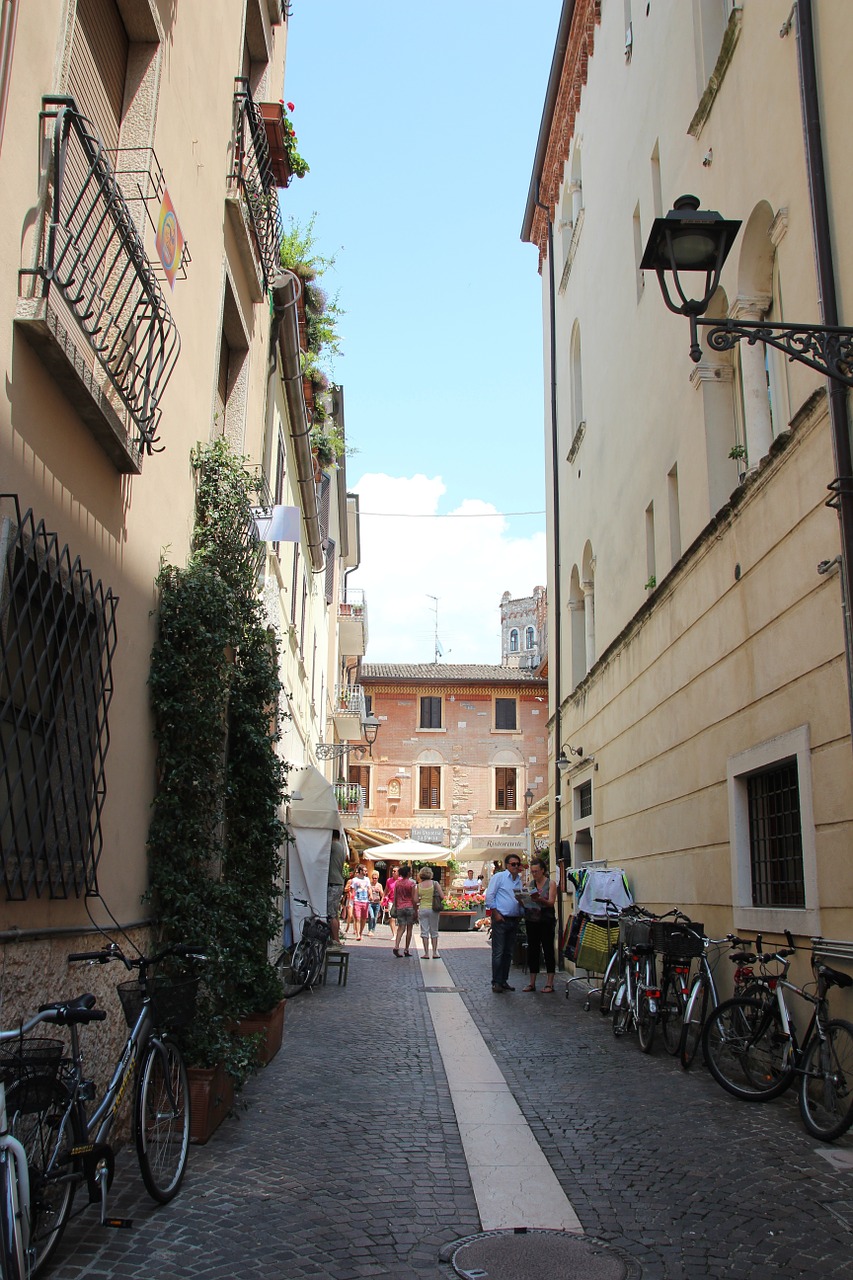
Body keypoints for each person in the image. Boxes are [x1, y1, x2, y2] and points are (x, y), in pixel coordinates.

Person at [484, 853, 524, 992]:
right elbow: (489, 896)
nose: (516, 867)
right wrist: (496, 913)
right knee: (499, 952)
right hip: (501, 919)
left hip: (514, 919)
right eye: (513, 864)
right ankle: (496, 982)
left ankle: (504, 980)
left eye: (518, 864)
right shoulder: (499, 877)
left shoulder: (519, 880)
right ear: (507, 865)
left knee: (508, 952)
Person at [522, 855, 558, 993]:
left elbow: (550, 902)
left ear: (543, 870)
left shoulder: (551, 883)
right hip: (532, 920)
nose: (534, 874)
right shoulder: (531, 884)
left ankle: (549, 983)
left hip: (546, 920)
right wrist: (522, 899)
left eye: (536, 871)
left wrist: (540, 899)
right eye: (533, 871)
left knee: (548, 949)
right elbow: (527, 903)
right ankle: (532, 982)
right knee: (533, 950)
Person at [391, 863, 418, 957]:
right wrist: (416, 909)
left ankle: (397, 946)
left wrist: (395, 905)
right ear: (408, 873)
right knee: (409, 929)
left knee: (400, 928)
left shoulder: (397, 883)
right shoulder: (412, 884)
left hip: (400, 907)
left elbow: (395, 897)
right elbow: (414, 898)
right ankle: (406, 949)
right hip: (409, 907)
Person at [416, 865, 442, 959]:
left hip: (423, 909)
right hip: (434, 909)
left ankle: (426, 953)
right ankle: (435, 952)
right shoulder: (435, 883)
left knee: (424, 931)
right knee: (434, 931)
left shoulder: (418, 886)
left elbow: (415, 900)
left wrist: (422, 899)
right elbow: (442, 896)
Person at [326, 832, 347, 948]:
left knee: (331, 913)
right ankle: (336, 938)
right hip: (338, 882)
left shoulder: (333, 845)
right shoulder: (341, 847)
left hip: (333, 882)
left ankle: (336, 940)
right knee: (335, 913)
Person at [350, 864, 371, 940]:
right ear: (361, 871)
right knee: (357, 918)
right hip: (357, 900)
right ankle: (358, 934)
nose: (366, 872)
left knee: (364, 918)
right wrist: (352, 897)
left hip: (365, 901)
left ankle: (361, 932)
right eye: (365, 870)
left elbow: (369, 888)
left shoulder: (367, 879)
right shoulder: (355, 880)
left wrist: (370, 895)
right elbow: (352, 889)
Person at [382, 865, 400, 930]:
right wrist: (383, 898)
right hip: (391, 901)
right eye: (392, 871)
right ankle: (394, 934)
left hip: (399, 901)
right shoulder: (389, 880)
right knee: (392, 917)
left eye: (394, 871)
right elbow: (386, 890)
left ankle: (398, 932)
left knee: (399, 918)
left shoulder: (401, 880)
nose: (393, 872)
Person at [367, 869, 384, 934]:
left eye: (376, 878)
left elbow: (382, 894)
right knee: (371, 916)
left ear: (378, 878)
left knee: (375, 917)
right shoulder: (369, 884)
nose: (374, 879)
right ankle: (369, 930)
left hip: (377, 903)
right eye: (373, 878)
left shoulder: (379, 885)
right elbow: (367, 893)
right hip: (370, 903)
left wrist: (379, 890)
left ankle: (373, 929)